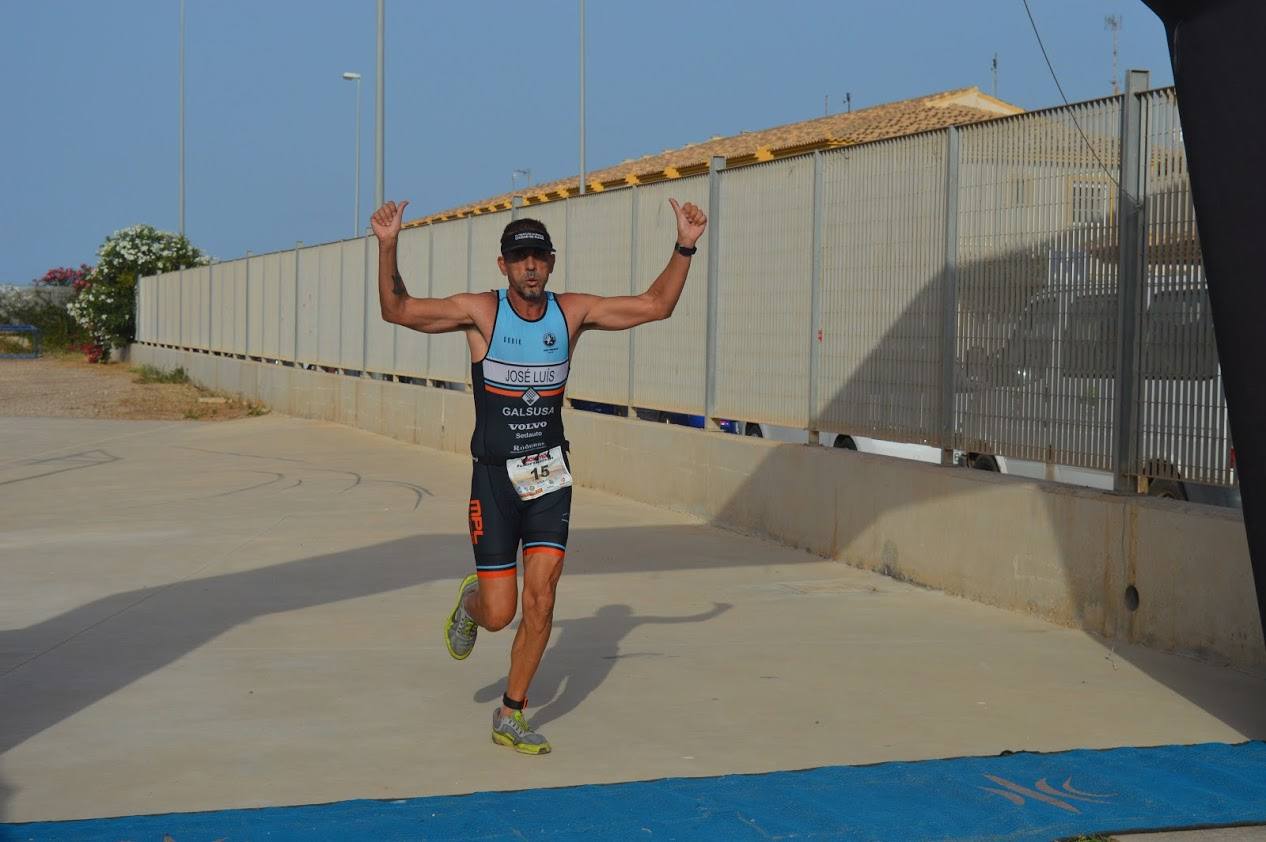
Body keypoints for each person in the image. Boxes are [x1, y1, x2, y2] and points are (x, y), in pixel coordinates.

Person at [371, 196, 708, 754]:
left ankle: (512, 711)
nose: (530, 266)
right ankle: (470, 604)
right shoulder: (481, 313)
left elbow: (655, 305)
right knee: (501, 614)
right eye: (519, 257)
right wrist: (388, 246)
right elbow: (398, 310)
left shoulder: (570, 313)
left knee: (543, 599)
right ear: (502, 266)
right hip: (495, 480)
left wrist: (685, 244)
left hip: (549, 476)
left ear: (551, 263)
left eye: (539, 257)